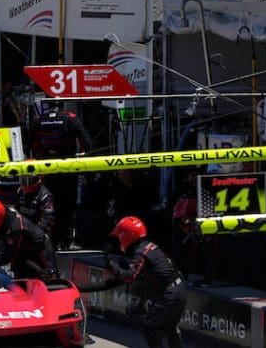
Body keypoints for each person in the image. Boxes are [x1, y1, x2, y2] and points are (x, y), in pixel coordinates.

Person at [106, 216, 186, 348]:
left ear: (127, 235)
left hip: (170, 294)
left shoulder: (141, 253)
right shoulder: (150, 245)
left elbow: (129, 277)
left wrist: (110, 264)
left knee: (149, 327)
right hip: (180, 289)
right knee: (169, 328)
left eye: (120, 235)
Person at [31, 101, 92, 249]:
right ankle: (66, 241)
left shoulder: (40, 119)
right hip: (67, 168)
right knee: (68, 205)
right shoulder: (69, 117)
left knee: (50, 204)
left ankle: (51, 240)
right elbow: (87, 142)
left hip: (47, 170)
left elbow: (31, 144)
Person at [0, 197, 58, 279]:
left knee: (49, 277)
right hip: (22, 251)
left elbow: (9, 255)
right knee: (19, 276)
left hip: (40, 252)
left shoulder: (16, 228)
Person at [16, 169, 56, 237]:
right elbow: (16, 210)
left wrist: (34, 233)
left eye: (29, 181)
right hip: (23, 229)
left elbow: (48, 219)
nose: (25, 184)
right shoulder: (20, 191)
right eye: (23, 180)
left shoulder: (45, 196)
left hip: (38, 232)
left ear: (38, 179)